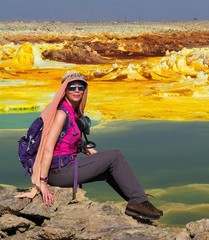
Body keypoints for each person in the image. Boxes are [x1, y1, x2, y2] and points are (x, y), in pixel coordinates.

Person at [16, 71, 163, 221]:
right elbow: (48, 148)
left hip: (66, 168)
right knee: (115, 156)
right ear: (64, 90)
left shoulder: (72, 112)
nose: (77, 90)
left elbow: (67, 140)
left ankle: (137, 205)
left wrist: (85, 147)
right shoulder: (61, 114)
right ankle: (138, 201)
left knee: (110, 170)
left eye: (81, 87)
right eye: (72, 87)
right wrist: (42, 183)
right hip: (59, 172)